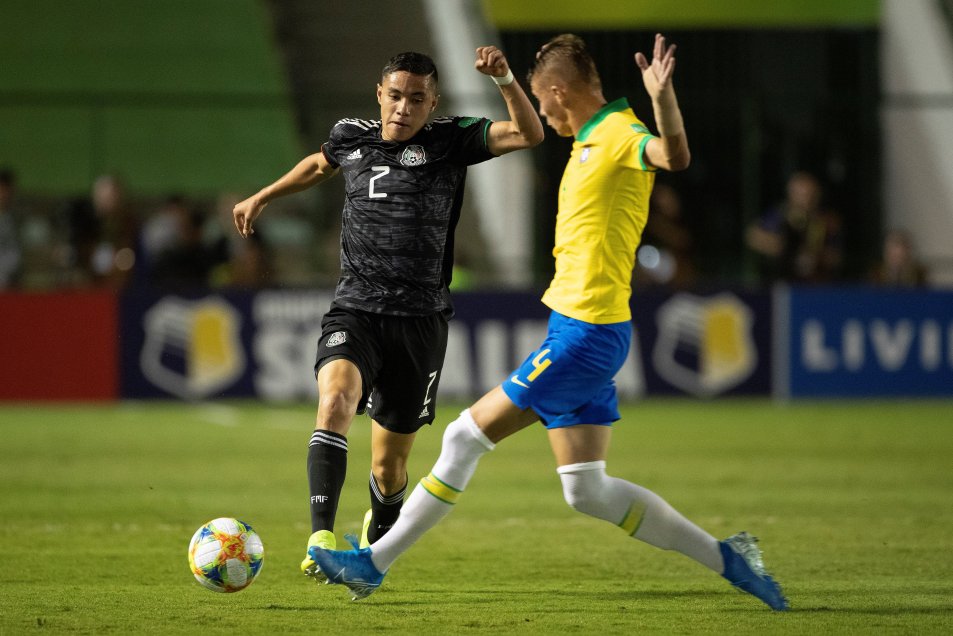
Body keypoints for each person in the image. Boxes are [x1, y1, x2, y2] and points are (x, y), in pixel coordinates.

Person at [310, 33, 788, 611]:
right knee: (587, 489)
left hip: (587, 335)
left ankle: (371, 564)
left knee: (464, 437)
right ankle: (732, 559)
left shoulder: (617, 133)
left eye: (542, 100)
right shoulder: (590, 138)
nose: (542, 114)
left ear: (559, 92)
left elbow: (673, 156)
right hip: (582, 329)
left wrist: (663, 99)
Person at [232, 47, 543, 583]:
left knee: (389, 466)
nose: (403, 108)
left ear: (433, 102)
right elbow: (319, 164)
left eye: (416, 99)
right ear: (380, 95)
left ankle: (373, 551)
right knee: (333, 403)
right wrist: (265, 194)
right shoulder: (352, 134)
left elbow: (528, 134)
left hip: (420, 322)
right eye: (395, 96)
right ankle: (320, 538)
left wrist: (506, 80)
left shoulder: (452, 140)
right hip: (355, 309)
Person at [745, 170, 842, 284]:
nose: (806, 200)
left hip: (817, 284)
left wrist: (816, 257)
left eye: (810, 195)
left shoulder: (827, 221)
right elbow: (753, 236)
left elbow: (836, 256)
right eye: (800, 195)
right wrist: (786, 249)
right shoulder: (780, 215)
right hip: (784, 283)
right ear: (790, 194)